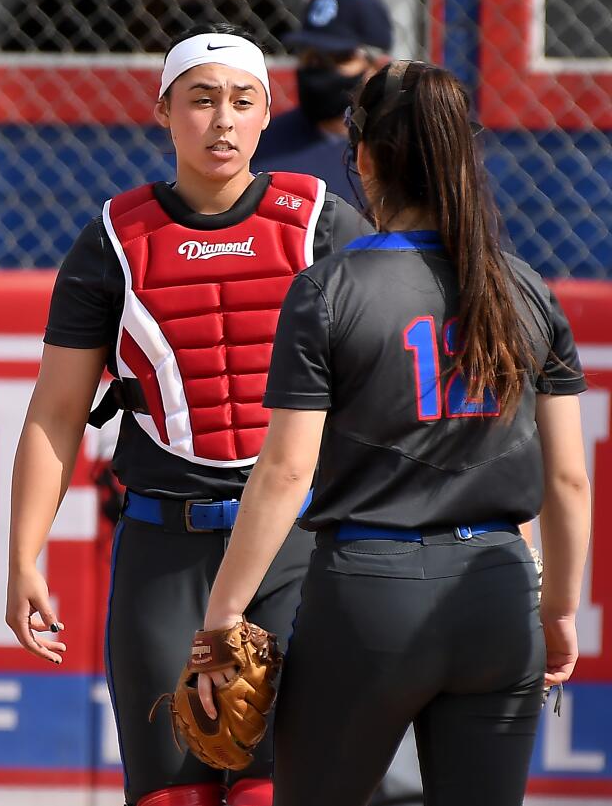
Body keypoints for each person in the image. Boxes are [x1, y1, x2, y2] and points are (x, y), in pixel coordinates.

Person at [197, 60, 591, 806]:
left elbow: (284, 473)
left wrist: (223, 616)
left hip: (370, 591)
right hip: (501, 593)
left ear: (367, 158)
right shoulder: (526, 286)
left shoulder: (329, 287)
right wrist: (559, 611)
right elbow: (568, 480)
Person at [5, 23, 371, 806]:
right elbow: (57, 411)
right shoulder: (114, 239)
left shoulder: (323, 225)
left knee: (280, 791)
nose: (223, 120)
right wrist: (23, 555)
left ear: (268, 114)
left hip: (294, 542)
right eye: (201, 100)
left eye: (243, 101)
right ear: (165, 110)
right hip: (163, 544)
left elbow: (390, 389)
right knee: (174, 795)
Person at [253, 0, 392, 210]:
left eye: (339, 58)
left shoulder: (400, 147)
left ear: (379, 66)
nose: (319, 69)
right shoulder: (261, 145)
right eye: (311, 56)